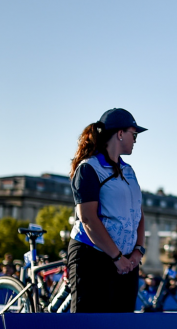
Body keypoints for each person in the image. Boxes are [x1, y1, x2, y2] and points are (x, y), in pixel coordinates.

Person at [67, 108, 147, 313]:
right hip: (93, 258)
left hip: (126, 262)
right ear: (120, 133)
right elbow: (88, 219)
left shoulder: (129, 170)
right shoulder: (89, 168)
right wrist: (116, 258)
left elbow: (138, 214)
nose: (136, 140)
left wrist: (138, 251)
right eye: (134, 134)